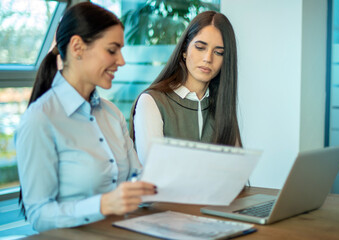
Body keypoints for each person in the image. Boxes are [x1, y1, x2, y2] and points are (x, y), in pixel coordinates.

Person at [15, 2, 156, 232]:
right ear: (77, 47)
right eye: (112, 50)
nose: (121, 61)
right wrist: (103, 204)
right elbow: (39, 215)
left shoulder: (112, 114)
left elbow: (137, 177)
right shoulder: (40, 119)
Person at [130, 11, 242, 165]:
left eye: (218, 52)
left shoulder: (222, 106)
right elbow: (153, 170)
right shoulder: (152, 102)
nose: (208, 58)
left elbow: (235, 171)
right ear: (184, 50)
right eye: (200, 47)